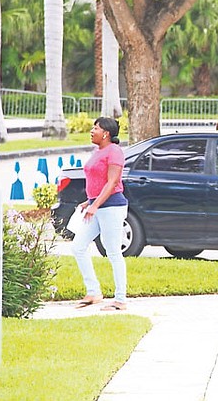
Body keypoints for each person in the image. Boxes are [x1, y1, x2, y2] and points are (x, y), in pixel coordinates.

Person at [71, 117, 129, 311]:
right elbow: (97, 180)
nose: (92, 131)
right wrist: (89, 202)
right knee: (78, 246)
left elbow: (112, 182)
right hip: (96, 205)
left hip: (111, 206)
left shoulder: (114, 151)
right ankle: (93, 292)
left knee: (112, 251)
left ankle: (120, 299)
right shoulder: (98, 151)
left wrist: (95, 205)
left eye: (95, 128)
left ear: (106, 133)